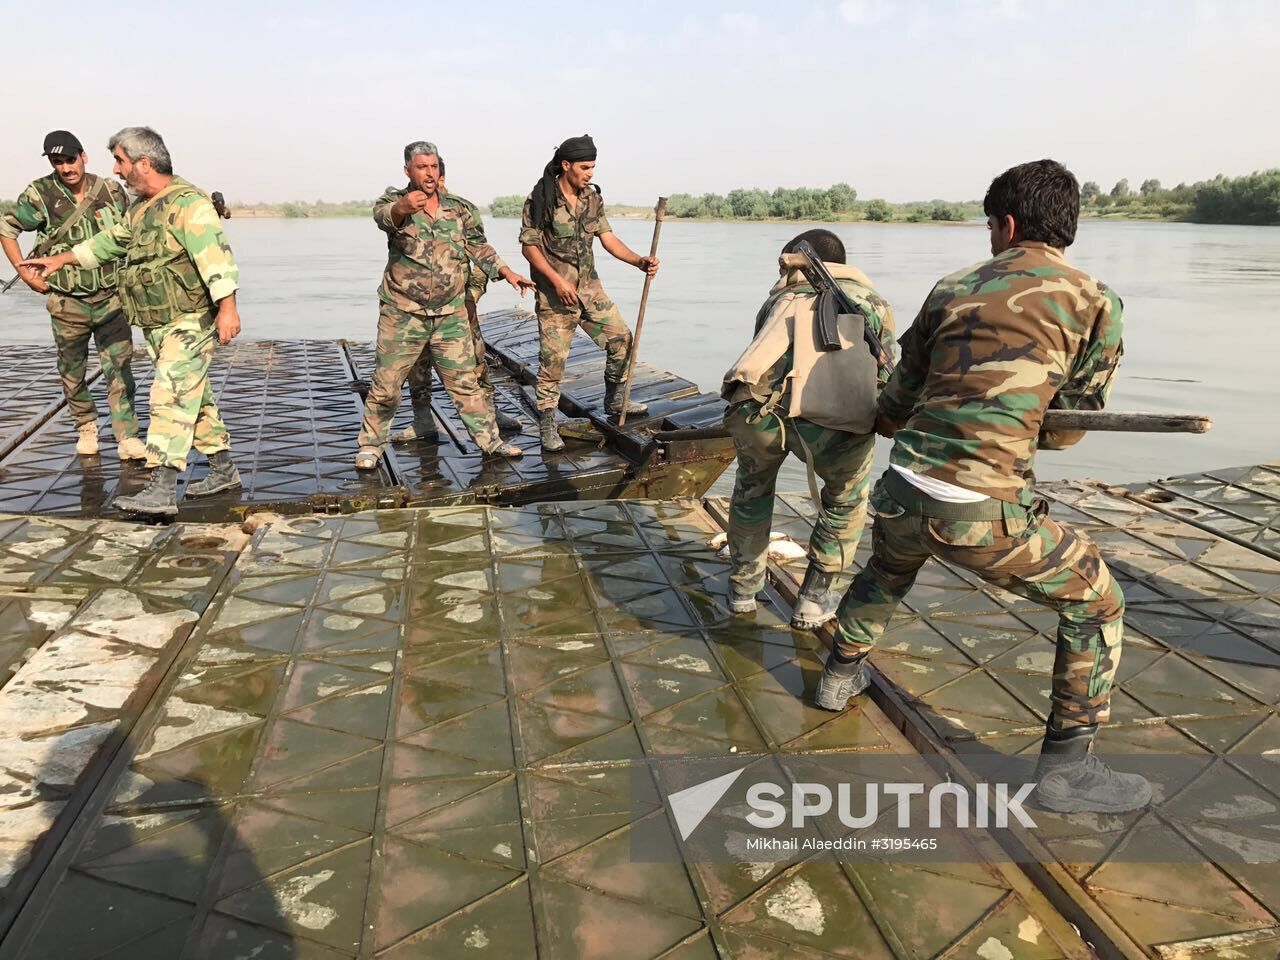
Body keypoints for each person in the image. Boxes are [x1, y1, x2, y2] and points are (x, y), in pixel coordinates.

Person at [813, 159, 1149, 814]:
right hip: (982, 507)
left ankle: (836, 678)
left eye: (991, 225)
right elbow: (1066, 433)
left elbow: (893, 405)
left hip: (902, 489)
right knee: (1098, 602)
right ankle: (1066, 776)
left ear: (1007, 224)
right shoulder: (1097, 301)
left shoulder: (950, 287)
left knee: (886, 571)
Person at [22, 127, 244, 517]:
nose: (116, 170)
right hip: (159, 323)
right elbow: (110, 241)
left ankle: (160, 489)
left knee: (169, 397)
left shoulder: (189, 205)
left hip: (189, 321)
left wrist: (228, 310)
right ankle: (224, 471)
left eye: (121, 162)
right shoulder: (142, 206)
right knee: (195, 398)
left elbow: (218, 261)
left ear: (143, 163)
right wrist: (60, 260)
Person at [721, 229, 896, 630]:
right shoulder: (873, 303)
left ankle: (742, 592)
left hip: (759, 414)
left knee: (753, 490)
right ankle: (814, 600)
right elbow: (885, 373)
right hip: (832, 420)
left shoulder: (778, 299)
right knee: (845, 500)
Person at [357, 141, 534, 467]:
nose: (429, 173)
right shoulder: (394, 202)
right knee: (386, 385)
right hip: (402, 311)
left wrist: (507, 273)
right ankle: (370, 447)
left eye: (434, 167)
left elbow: (479, 247)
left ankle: (491, 443)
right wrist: (402, 208)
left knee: (466, 385)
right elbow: (383, 218)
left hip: (450, 313)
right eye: (421, 167)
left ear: (441, 170)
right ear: (408, 170)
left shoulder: (459, 209)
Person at [1, 130, 144, 460]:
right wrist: (24, 274)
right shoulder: (40, 194)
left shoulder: (109, 190)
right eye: (57, 162)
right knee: (72, 370)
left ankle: (127, 436)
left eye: (69, 159)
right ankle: (86, 425)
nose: (65, 168)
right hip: (67, 300)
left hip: (112, 298)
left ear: (84, 157)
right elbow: (6, 228)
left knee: (120, 369)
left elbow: (133, 231)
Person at [519, 134, 658, 451]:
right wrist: (557, 281)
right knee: (552, 365)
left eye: (593, 167)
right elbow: (529, 247)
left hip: (590, 290)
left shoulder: (592, 198)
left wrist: (638, 261)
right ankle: (547, 425)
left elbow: (607, 238)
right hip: (556, 297)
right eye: (585, 167)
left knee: (621, 338)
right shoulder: (540, 198)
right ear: (566, 165)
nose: (590, 173)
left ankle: (615, 398)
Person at [388, 155, 522, 443]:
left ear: (443, 178)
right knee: (417, 367)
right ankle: (422, 419)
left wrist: (471, 297)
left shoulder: (461, 211)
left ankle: (491, 415)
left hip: (458, 307)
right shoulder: (409, 210)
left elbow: (481, 256)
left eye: (437, 174)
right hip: (417, 309)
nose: (435, 182)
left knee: (475, 362)